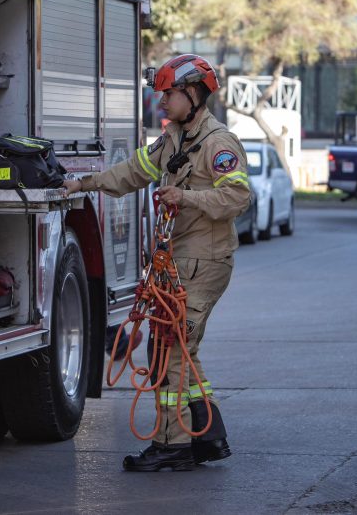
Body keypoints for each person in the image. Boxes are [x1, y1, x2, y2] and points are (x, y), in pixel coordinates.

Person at [62, 54, 250, 472]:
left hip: (205, 260)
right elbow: (132, 172)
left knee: (170, 349)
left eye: (169, 94)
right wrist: (82, 183)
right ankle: (207, 435)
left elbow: (237, 197)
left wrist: (187, 197)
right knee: (179, 347)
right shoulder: (173, 141)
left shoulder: (218, 144)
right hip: (178, 260)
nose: (162, 101)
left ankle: (173, 444)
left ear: (195, 95)